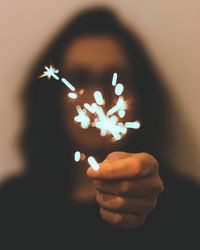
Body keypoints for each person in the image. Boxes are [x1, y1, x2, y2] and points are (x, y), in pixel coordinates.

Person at [0, 7, 200, 249]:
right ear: (53, 97)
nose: (97, 96)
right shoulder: (12, 204)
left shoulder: (186, 204)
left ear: (140, 95)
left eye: (112, 78)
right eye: (80, 78)